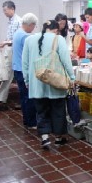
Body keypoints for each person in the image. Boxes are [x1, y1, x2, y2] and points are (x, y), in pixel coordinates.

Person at [22, 20, 75, 148]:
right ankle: (58, 138)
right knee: (58, 110)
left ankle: (45, 138)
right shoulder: (59, 39)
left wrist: (27, 80)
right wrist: (72, 77)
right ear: (56, 30)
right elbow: (66, 60)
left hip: (37, 82)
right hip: (55, 81)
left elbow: (25, 62)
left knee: (41, 111)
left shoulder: (29, 40)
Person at [12, 13, 38, 129]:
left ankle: (26, 120)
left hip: (17, 69)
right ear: (30, 24)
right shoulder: (25, 37)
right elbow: (31, 54)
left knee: (23, 97)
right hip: (23, 70)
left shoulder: (17, 33)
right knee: (29, 97)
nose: (33, 29)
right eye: (34, 26)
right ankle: (32, 122)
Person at [0, 0, 21, 111]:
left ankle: (1, 99)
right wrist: (5, 43)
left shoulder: (18, 21)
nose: (4, 13)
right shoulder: (11, 21)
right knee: (6, 75)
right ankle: (1, 99)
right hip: (9, 50)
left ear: (12, 9)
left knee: (7, 75)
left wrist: (6, 43)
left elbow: (16, 39)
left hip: (13, 51)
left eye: (5, 10)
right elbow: (10, 37)